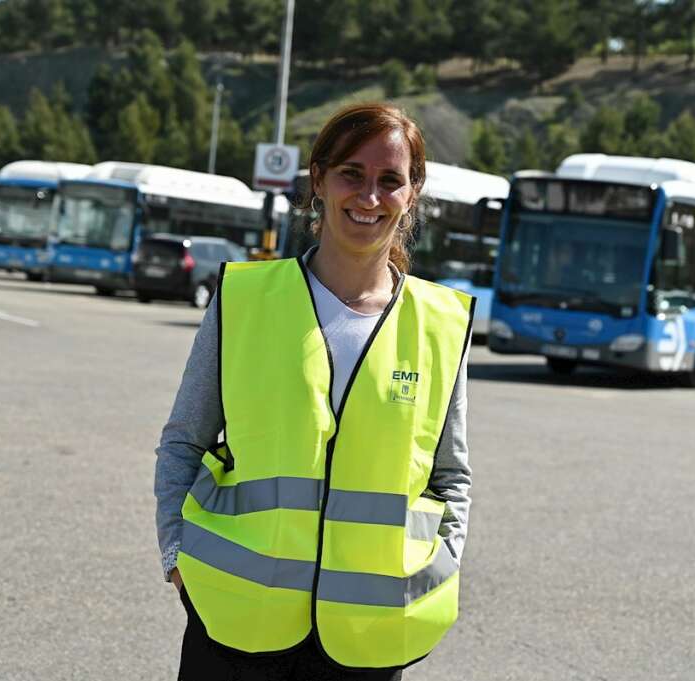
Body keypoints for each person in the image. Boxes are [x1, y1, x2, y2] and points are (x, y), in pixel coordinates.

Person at [155, 103, 475, 681]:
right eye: (352, 174)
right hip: (236, 616)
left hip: (368, 634)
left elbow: (450, 475)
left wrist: (441, 564)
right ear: (319, 180)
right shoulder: (246, 300)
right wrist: (176, 557)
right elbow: (184, 440)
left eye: (389, 180)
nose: (369, 197)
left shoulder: (440, 323)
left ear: (414, 192)